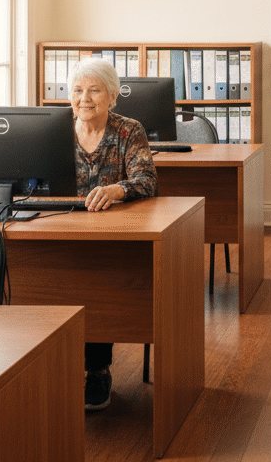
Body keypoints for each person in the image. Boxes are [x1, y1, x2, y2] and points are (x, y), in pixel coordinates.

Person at [70, 57, 159, 411]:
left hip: (113, 235)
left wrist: (115, 190)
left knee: (95, 280)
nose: (84, 98)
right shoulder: (53, 128)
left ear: (111, 95)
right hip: (61, 227)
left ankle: (97, 370)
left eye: (94, 90)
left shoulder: (128, 130)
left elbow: (147, 180)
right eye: (77, 90)